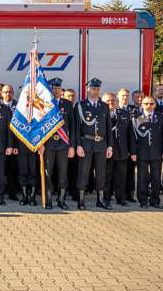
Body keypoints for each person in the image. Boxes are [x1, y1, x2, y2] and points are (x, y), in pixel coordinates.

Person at [74, 79, 114, 209]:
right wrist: (78, 145)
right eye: (93, 89)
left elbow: (109, 128)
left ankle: (100, 200)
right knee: (83, 172)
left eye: (97, 89)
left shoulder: (104, 106)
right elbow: (77, 128)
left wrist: (110, 146)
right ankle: (81, 200)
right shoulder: (80, 105)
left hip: (101, 144)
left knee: (101, 173)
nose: (95, 91)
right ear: (87, 89)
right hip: (86, 143)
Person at [39, 78, 75, 209]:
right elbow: (40, 126)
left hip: (63, 145)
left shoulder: (67, 104)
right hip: (48, 145)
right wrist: (40, 143)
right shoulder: (43, 103)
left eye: (58, 88)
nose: (56, 90)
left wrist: (72, 146)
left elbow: (73, 127)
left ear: (61, 90)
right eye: (53, 88)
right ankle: (48, 200)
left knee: (63, 173)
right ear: (49, 89)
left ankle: (61, 199)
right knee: (48, 172)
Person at [130, 96, 163, 209]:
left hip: (157, 153)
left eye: (151, 103)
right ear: (142, 104)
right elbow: (133, 137)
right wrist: (133, 152)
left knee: (156, 178)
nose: (149, 106)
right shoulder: (136, 118)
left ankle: (155, 201)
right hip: (141, 153)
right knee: (142, 178)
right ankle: (143, 201)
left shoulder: (161, 117)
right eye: (146, 103)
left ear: (155, 105)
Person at [103, 92, 131, 207]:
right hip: (107, 151)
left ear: (116, 101)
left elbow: (130, 134)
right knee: (107, 176)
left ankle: (120, 198)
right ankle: (106, 198)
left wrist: (131, 150)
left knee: (121, 176)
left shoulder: (124, 113)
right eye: (108, 100)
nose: (111, 102)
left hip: (122, 151)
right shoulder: (101, 114)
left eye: (113, 100)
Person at [117, 87, 138, 203]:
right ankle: (118, 193)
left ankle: (130, 194)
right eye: (123, 95)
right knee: (119, 172)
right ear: (118, 96)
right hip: (118, 146)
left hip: (131, 145)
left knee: (131, 172)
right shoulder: (114, 108)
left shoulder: (134, 109)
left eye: (127, 96)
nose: (125, 98)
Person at [0, 84, 20, 201]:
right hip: (0, 144)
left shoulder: (19, 106)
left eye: (10, 92)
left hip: (14, 143)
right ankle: (0, 192)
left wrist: (15, 145)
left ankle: (13, 193)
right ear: (2, 93)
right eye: (5, 92)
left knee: (12, 170)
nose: (8, 94)